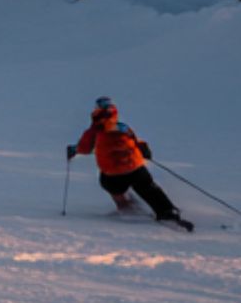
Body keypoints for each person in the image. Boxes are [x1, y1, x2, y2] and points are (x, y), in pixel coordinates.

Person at [68, 97, 192, 230]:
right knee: (149, 187)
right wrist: (144, 150)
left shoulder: (93, 131)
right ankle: (167, 211)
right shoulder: (123, 127)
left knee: (113, 188)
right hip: (135, 168)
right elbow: (136, 142)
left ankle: (126, 209)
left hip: (112, 174)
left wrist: (73, 150)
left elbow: (85, 148)